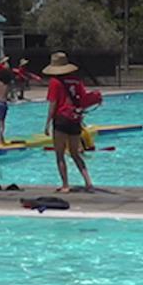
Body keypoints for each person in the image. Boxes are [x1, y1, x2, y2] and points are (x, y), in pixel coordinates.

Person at [43, 52, 98, 193]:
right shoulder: (76, 80)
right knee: (75, 153)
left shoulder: (54, 82)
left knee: (60, 154)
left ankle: (65, 185)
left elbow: (53, 104)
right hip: (74, 118)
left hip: (61, 119)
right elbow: (82, 99)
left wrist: (47, 123)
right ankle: (88, 182)